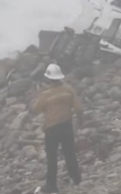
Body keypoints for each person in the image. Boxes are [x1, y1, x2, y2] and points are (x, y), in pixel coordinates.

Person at [33, 63, 83, 194]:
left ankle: (52, 186)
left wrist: (39, 93)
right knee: (70, 153)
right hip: (66, 125)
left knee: (52, 158)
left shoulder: (45, 94)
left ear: (48, 78)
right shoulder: (69, 89)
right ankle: (76, 178)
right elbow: (78, 108)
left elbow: (37, 109)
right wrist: (81, 121)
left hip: (52, 129)